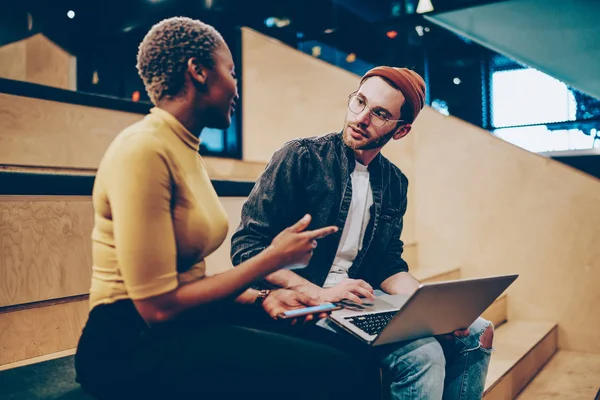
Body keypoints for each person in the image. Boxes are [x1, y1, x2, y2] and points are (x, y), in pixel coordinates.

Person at [74, 16, 380, 400]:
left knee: (351, 352)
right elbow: (157, 307)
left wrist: (265, 298)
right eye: (231, 71)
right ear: (198, 72)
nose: (237, 86)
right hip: (128, 344)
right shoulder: (142, 150)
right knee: (337, 373)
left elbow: (188, 279)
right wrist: (271, 259)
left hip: (182, 322)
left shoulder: (184, 148)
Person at [231, 66, 494, 399]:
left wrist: (431, 306)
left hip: (353, 300)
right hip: (307, 298)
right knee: (424, 354)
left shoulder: (394, 182)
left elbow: (387, 264)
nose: (361, 117)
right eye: (360, 102)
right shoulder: (301, 157)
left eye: (380, 113)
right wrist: (317, 292)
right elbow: (246, 248)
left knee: (478, 332)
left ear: (400, 131)